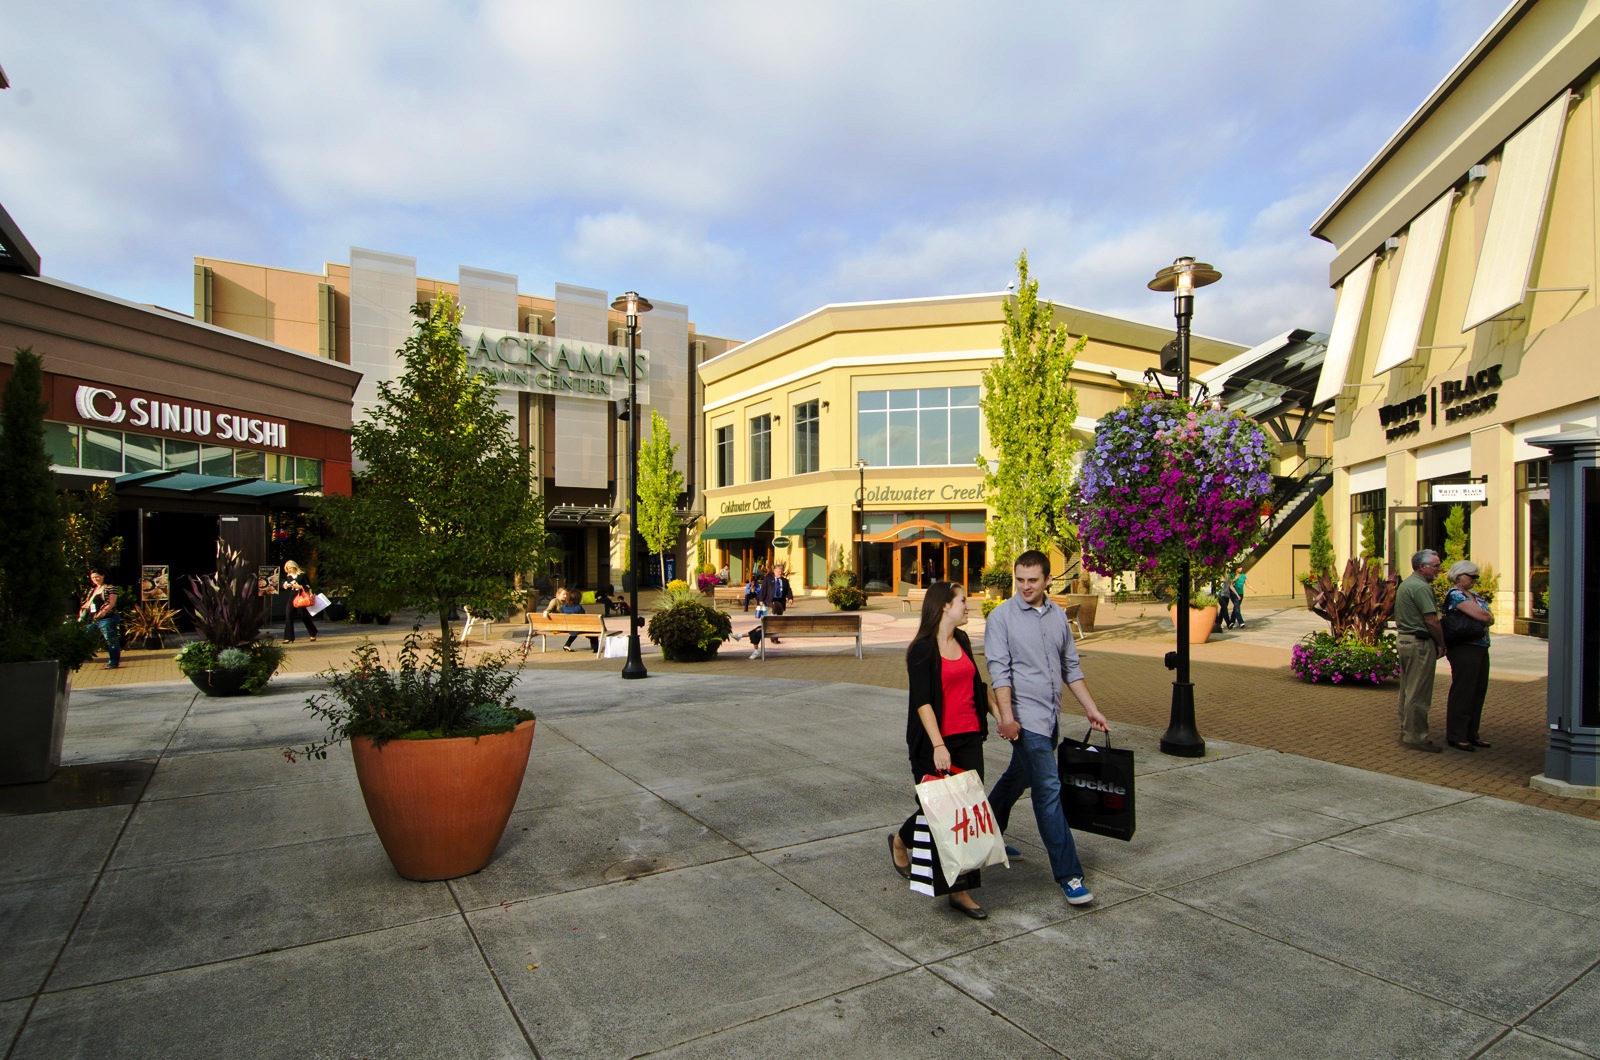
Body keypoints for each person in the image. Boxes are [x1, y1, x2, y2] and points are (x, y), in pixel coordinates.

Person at [985, 549, 1110, 906]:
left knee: (1017, 777)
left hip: (1050, 716)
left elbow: (1071, 667)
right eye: (1019, 579)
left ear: (1047, 580)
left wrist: (1092, 710)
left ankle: (987, 834)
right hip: (1025, 722)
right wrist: (1007, 717)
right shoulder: (1002, 618)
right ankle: (1070, 875)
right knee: (1048, 791)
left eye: (1032, 580)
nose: (1025, 586)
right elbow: (999, 671)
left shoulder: (1057, 616)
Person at [887, 581, 1000, 919]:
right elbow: (922, 702)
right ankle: (957, 890)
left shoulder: (962, 641)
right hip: (934, 742)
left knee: (960, 812)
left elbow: (977, 687)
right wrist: (938, 744)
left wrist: (1002, 716)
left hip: (969, 737)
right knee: (938, 810)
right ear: (945, 606)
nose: (968, 606)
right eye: (963, 601)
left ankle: (905, 842)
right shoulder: (921, 649)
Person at [1394, 549, 1447, 752]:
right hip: (1418, 643)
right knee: (1419, 692)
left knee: (1408, 689)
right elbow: (1431, 620)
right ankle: (1415, 737)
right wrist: (1441, 642)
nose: (1439, 569)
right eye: (1436, 566)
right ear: (1422, 567)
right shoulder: (1421, 587)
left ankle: (1407, 729)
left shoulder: (1407, 584)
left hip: (1406, 640)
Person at [1442, 560, 1493, 753]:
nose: (1475, 580)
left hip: (1481, 646)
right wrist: (1485, 617)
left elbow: (1488, 617)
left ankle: (1472, 733)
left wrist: (1486, 617)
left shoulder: (1475, 595)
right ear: (1459, 576)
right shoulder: (1456, 595)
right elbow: (1484, 616)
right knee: (1464, 689)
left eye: (1476, 576)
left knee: (1478, 690)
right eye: (1472, 576)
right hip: (1464, 647)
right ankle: (1457, 735)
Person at [79, 568, 122, 669]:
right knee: (87, 636)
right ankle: (82, 658)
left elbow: (111, 603)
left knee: (110, 640)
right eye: (93, 577)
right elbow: (88, 603)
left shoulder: (110, 588)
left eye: (97, 576)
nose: (95, 579)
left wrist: (103, 612)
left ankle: (113, 662)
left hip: (107, 618)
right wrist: (82, 613)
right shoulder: (93, 590)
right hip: (93, 618)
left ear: (103, 576)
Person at [544, 587, 597, 652]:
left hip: (567, 627)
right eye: (563, 594)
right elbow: (584, 618)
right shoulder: (579, 607)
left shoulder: (563, 607)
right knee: (593, 632)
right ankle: (595, 648)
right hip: (576, 628)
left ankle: (567, 645)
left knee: (575, 630)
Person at [282, 560, 318, 643]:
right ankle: (288, 637)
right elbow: (289, 588)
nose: (289, 570)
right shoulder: (289, 577)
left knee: (303, 615)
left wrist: (301, 586)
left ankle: (313, 633)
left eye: (290, 568)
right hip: (292, 596)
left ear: (295, 567)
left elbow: (309, 586)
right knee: (288, 615)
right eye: (288, 568)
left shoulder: (302, 575)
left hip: (302, 596)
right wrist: (286, 586)